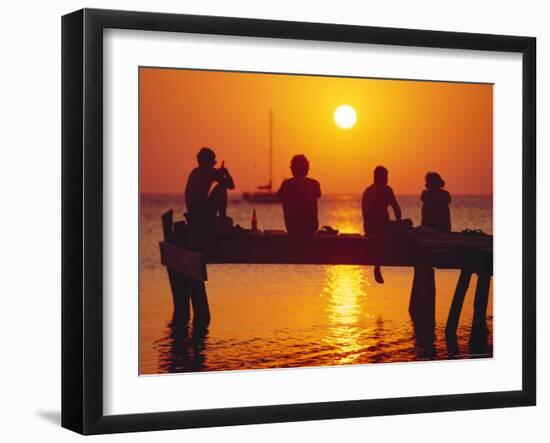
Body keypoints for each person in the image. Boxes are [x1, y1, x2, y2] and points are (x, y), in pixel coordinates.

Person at [362, 166, 412, 283]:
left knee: (393, 229)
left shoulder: (367, 191)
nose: (387, 179)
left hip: (369, 229)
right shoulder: (386, 189)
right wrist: (399, 223)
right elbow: (396, 209)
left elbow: (366, 214)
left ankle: (377, 266)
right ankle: (378, 265)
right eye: (386, 176)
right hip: (383, 228)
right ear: (382, 177)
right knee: (409, 222)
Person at [184, 147, 235, 231]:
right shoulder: (209, 171)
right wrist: (226, 173)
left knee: (229, 220)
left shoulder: (195, 171)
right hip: (200, 215)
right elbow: (231, 185)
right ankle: (222, 219)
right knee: (221, 188)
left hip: (193, 214)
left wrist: (218, 173)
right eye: (213, 162)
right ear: (207, 162)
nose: (213, 165)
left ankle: (222, 220)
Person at [277, 154, 321, 236]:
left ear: (293, 169)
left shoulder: (286, 184)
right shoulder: (314, 184)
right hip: (310, 230)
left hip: (292, 229)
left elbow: (279, 195)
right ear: (307, 168)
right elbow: (318, 194)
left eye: (291, 167)